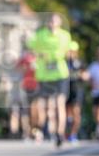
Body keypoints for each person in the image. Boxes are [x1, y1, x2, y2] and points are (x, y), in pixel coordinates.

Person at [27, 13, 73, 147]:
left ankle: (59, 133)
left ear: (59, 23)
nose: (52, 24)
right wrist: (39, 53)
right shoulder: (40, 34)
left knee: (59, 104)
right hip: (44, 75)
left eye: (55, 21)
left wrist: (51, 55)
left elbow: (66, 51)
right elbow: (32, 48)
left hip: (60, 74)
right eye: (50, 21)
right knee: (44, 106)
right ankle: (43, 128)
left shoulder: (64, 35)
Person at [65, 41, 84, 143]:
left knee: (76, 113)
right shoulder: (64, 62)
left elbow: (85, 74)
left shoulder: (80, 62)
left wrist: (82, 75)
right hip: (65, 90)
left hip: (77, 90)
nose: (70, 53)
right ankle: (65, 133)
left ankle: (73, 134)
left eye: (72, 51)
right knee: (67, 114)